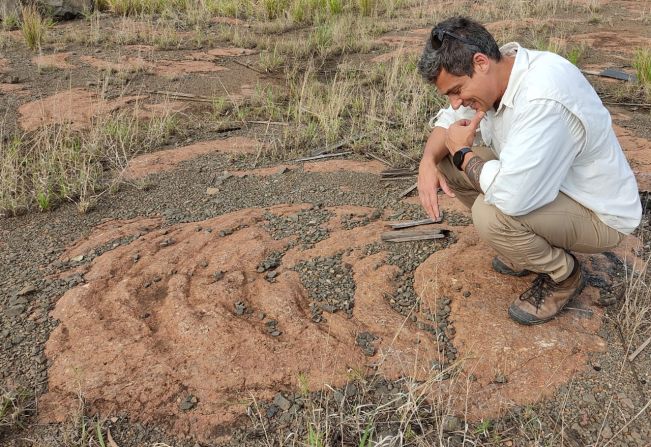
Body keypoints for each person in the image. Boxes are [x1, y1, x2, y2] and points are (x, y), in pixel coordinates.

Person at [416, 16, 642, 325]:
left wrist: (463, 154)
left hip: (598, 212)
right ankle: (524, 247)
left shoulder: (542, 95)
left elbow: (512, 198)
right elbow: (446, 124)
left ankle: (564, 275)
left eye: (457, 90)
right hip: (548, 184)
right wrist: (427, 163)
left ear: (480, 62)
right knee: (446, 163)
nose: (456, 104)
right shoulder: (497, 74)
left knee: (491, 213)